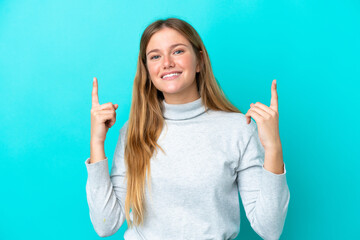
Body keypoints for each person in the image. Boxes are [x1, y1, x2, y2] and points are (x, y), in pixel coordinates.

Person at [85, 17, 290, 240]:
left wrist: (273, 148)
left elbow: (270, 229)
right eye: (155, 56)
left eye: (178, 51)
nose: (166, 63)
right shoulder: (133, 132)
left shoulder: (239, 128)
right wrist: (96, 143)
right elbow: (106, 225)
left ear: (199, 61)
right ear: (147, 69)